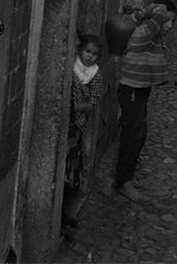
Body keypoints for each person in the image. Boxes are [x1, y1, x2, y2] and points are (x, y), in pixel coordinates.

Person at [114, 0, 177, 203]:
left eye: (172, 22)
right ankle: (123, 182)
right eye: (167, 20)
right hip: (132, 89)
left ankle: (126, 178)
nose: (169, 26)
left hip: (140, 89)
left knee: (138, 134)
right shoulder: (147, 30)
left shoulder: (151, 34)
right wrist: (149, 11)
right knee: (132, 135)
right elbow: (158, 11)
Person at [63, 33, 103, 226]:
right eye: (87, 51)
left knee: (71, 170)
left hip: (77, 125)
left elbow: (92, 104)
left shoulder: (95, 75)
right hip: (66, 124)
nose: (90, 56)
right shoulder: (70, 68)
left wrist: (74, 108)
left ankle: (65, 212)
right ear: (80, 51)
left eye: (94, 54)